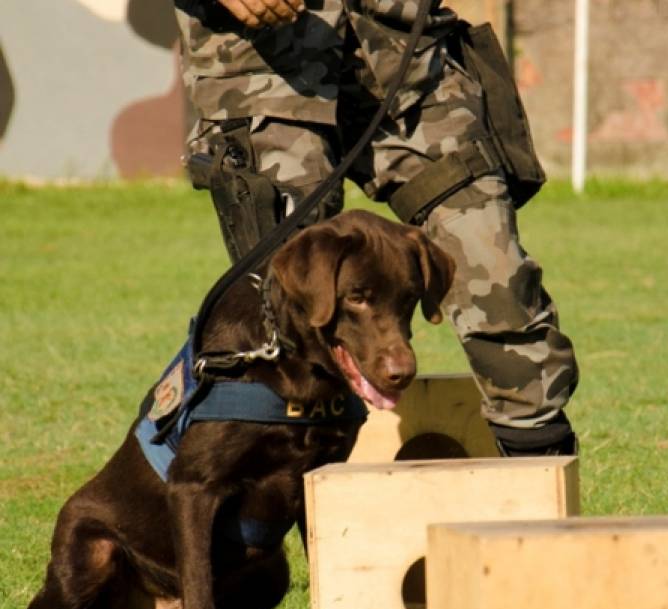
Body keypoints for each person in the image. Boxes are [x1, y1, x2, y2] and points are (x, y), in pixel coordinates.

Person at [173, 0, 579, 456]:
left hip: (409, 58)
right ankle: (303, 513)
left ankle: (540, 487)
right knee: (295, 317)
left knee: (496, 280)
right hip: (261, 68)